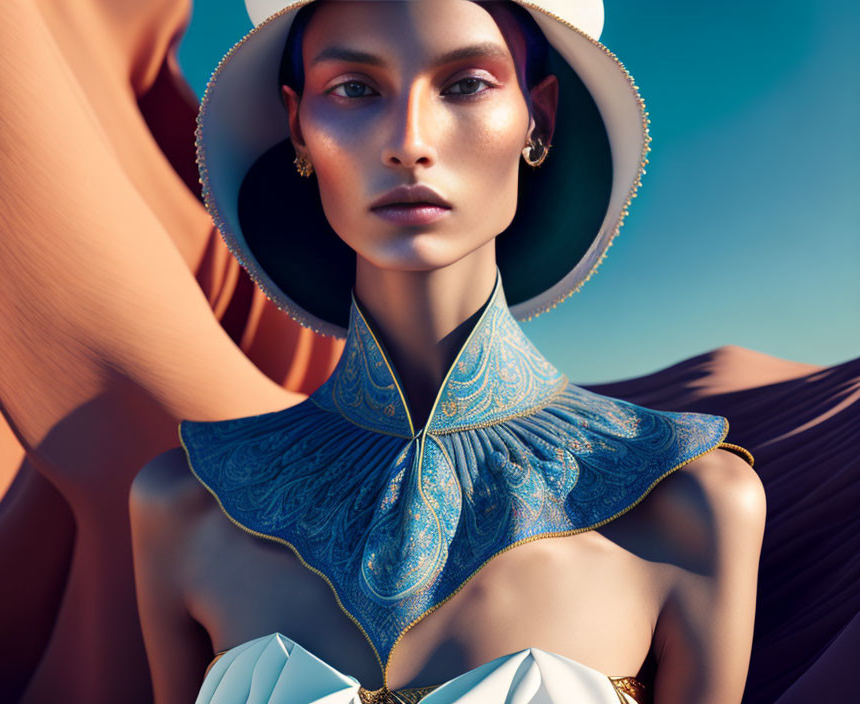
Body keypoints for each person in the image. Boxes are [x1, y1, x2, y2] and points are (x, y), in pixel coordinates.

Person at [128, 1, 766, 702]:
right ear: (298, 128)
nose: (409, 142)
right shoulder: (187, 505)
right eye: (354, 88)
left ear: (538, 119)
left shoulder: (688, 500)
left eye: (466, 83)